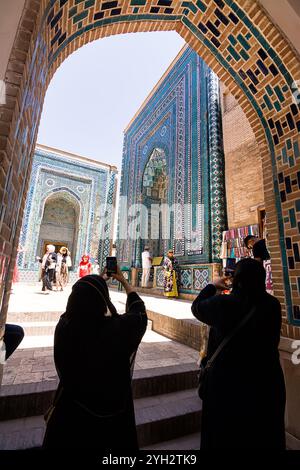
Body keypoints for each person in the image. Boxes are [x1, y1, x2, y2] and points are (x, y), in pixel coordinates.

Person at [42, 267, 147, 450]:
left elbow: (83, 298)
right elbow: (139, 314)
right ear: (102, 301)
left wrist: (96, 281)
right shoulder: (116, 330)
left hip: (70, 418)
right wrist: (124, 282)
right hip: (111, 421)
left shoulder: (65, 328)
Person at [191, 258, 286, 450]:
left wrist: (212, 285)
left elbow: (197, 307)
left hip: (227, 387)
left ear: (237, 279)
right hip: (265, 384)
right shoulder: (273, 305)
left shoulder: (224, 304)